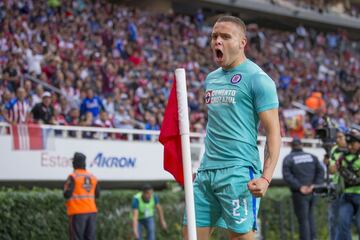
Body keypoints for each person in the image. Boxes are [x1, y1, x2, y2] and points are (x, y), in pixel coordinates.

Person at [183, 15, 281, 240]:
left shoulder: (258, 79)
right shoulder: (211, 78)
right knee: (190, 236)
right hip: (206, 172)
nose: (217, 41)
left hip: (238, 173)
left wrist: (266, 178)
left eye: (225, 37)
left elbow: (274, 132)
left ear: (242, 43)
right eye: (214, 36)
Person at [282, 138, 324, 240]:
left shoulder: (288, 158)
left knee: (303, 220)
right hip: (313, 192)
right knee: (310, 217)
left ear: (292, 146)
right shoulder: (312, 157)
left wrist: (300, 187)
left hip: (299, 193)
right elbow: (321, 171)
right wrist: (314, 185)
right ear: (301, 145)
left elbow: (287, 176)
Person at [64, 152, 100, 240]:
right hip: (91, 212)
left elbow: (66, 194)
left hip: (77, 212)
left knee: (76, 237)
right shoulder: (92, 177)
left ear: (74, 163)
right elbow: (98, 194)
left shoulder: (73, 177)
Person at [336, 129, 360, 240]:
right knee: (343, 224)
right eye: (348, 143)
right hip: (346, 195)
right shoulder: (342, 157)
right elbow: (335, 170)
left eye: (353, 143)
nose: (349, 146)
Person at [325, 130, 347, 240]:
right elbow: (332, 170)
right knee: (334, 218)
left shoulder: (355, 149)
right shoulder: (335, 149)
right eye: (336, 137)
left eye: (340, 137)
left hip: (353, 189)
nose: (337, 139)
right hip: (337, 187)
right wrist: (329, 163)